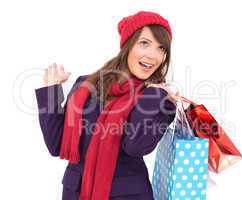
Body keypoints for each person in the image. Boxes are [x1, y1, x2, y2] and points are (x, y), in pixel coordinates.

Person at [35, 10, 178, 200]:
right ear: (128, 45)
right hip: (76, 193)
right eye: (145, 43)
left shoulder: (158, 99)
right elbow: (56, 145)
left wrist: (154, 96)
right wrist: (50, 93)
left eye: (162, 49)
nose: (154, 56)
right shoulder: (85, 86)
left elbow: (136, 146)